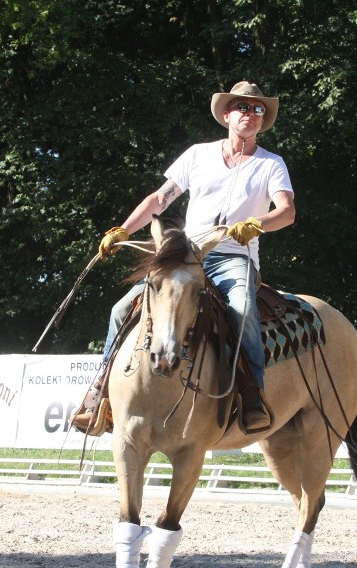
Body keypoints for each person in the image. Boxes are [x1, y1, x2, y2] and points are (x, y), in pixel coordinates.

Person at [72, 81, 295, 433]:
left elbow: (286, 211)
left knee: (242, 310)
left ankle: (253, 395)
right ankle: (100, 396)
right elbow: (160, 200)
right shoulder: (197, 154)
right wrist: (124, 230)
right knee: (120, 310)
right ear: (226, 114)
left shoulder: (271, 164)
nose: (250, 114)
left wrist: (256, 224)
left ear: (262, 120)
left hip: (233, 259)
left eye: (258, 110)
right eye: (242, 107)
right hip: (186, 257)